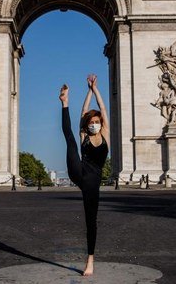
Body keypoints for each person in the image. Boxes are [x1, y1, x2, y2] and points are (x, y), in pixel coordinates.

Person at [59, 74, 109, 277]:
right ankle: (64, 104)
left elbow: (103, 109)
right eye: (91, 122)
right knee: (70, 139)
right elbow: (83, 113)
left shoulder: (105, 134)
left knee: (91, 221)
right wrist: (83, 94)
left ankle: (90, 260)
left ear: (100, 123)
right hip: (78, 171)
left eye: (96, 121)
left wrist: (95, 89)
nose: (93, 124)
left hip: (92, 183)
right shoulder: (84, 135)